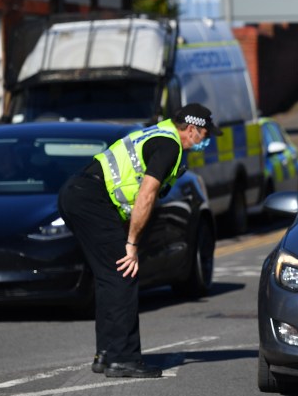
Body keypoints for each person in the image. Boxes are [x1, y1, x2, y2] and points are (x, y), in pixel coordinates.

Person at [58, 103, 222, 378]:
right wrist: (131, 245)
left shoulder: (158, 134)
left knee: (109, 276)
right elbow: (146, 194)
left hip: (79, 194)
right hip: (90, 199)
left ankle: (107, 354)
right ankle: (123, 358)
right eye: (205, 134)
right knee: (124, 274)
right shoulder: (168, 146)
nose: (206, 140)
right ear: (191, 129)